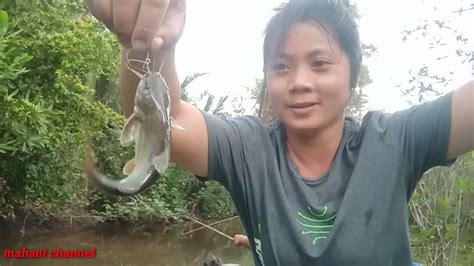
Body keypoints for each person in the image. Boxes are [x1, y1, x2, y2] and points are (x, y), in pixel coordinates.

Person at [86, 0, 473, 265]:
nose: (299, 82)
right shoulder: (249, 149)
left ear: (352, 75)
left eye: (320, 63)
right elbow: (164, 123)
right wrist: (151, 43)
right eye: (281, 66)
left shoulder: (396, 141)